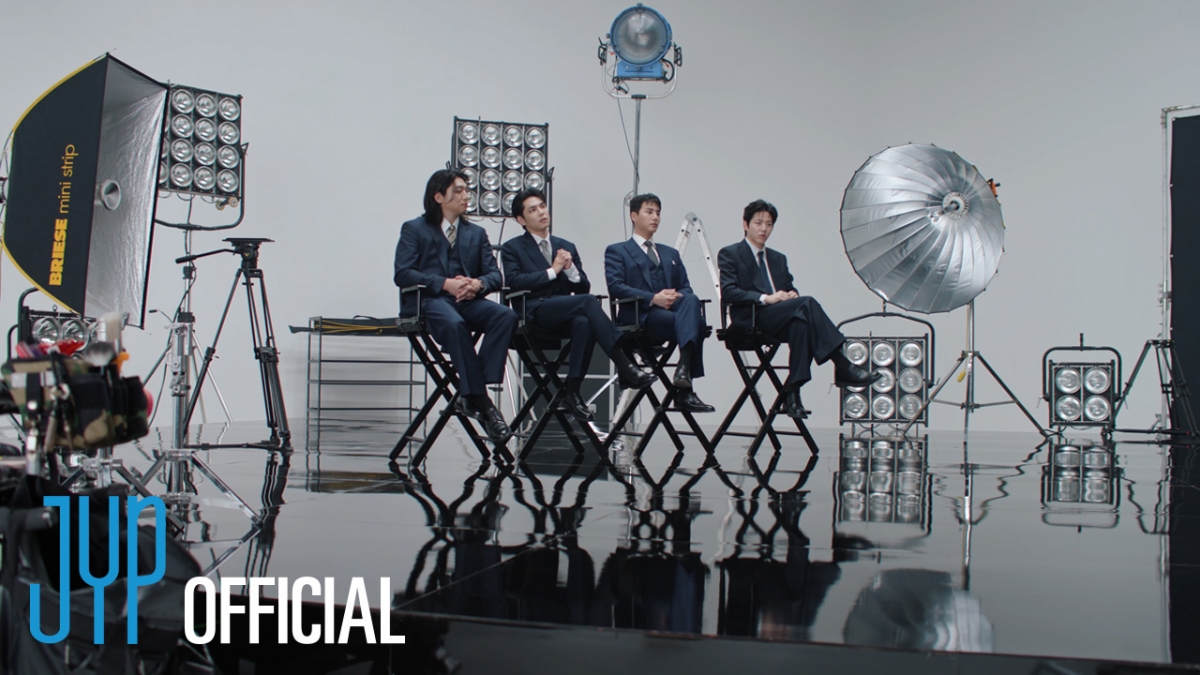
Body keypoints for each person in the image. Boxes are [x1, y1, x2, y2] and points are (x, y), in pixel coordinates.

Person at [501, 188, 656, 420]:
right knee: (587, 303)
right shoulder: (512, 247)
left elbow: (583, 287)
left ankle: (572, 392)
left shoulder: (566, 246)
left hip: (564, 312)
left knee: (583, 322)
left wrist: (570, 269)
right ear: (521, 220)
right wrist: (553, 270)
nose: (541, 212)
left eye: (543, 206)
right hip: (534, 310)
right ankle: (625, 365)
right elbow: (514, 282)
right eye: (533, 210)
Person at [717, 199, 880, 419]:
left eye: (769, 224)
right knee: (807, 304)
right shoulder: (730, 253)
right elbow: (728, 292)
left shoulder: (778, 258)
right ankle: (842, 365)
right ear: (745, 224)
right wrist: (766, 298)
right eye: (758, 223)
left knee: (801, 324)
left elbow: (789, 288)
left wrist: (791, 295)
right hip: (751, 318)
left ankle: (793, 392)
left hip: (779, 317)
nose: (764, 229)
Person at [394, 168, 516, 442]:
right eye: (458, 191)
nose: (465, 195)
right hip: (431, 300)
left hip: (467, 301)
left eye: (466, 190)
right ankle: (482, 401)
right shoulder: (414, 229)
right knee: (454, 323)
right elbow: (403, 273)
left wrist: (477, 284)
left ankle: (471, 392)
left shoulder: (477, 233)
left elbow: (495, 276)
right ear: (438, 196)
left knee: (505, 316)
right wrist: (444, 283)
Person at [604, 193, 715, 413]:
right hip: (641, 314)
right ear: (634, 216)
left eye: (658, 213)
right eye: (649, 212)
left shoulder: (670, 253)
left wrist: (674, 298)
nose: (655, 217)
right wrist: (654, 298)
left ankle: (683, 370)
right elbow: (616, 287)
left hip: (671, 313)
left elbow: (685, 287)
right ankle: (684, 389)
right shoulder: (618, 251)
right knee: (698, 324)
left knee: (691, 299)